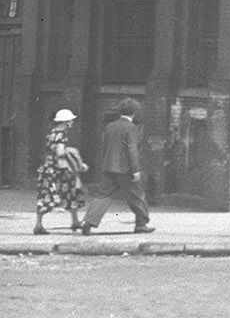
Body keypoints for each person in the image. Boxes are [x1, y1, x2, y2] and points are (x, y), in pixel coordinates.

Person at [80, 98, 153, 235]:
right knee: (137, 195)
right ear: (135, 113)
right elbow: (132, 150)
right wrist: (136, 170)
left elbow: (104, 146)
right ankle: (141, 224)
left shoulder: (110, 126)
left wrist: (104, 164)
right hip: (126, 169)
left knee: (102, 195)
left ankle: (88, 222)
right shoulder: (131, 128)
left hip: (108, 167)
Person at [31, 109, 87, 235]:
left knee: (46, 193)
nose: (72, 122)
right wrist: (72, 155)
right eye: (70, 120)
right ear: (65, 122)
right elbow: (60, 152)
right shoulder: (62, 134)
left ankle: (39, 224)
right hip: (58, 168)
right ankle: (75, 221)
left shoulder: (52, 133)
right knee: (71, 191)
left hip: (47, 167)